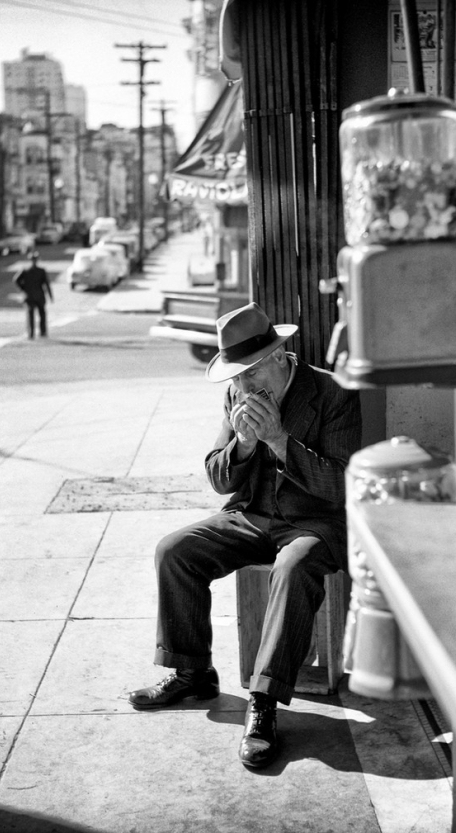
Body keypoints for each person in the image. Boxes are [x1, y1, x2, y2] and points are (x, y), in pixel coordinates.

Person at [128, 302, 362, 768]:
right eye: (235, 377)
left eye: (250, 374)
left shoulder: (333, 393)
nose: (244, 387)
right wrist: (245, 444)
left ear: (279, 357)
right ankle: (193, 671)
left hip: (314, 523)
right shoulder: (237, 395)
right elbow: (218, 478)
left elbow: (340, 486)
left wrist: (278, 441)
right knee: (175, 550)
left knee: (294, 568)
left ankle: (264, 702)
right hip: (253, 516)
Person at [14, 251, 53, 339]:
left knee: (32, 315)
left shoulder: (26, 270)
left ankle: (31, 333)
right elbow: (47, 284)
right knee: (41, 314)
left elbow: (16, 280)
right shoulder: (40, 271)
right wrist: (50, 296)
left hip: (29, 296)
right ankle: (42, 332)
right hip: (39, 296)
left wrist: (23, 289)